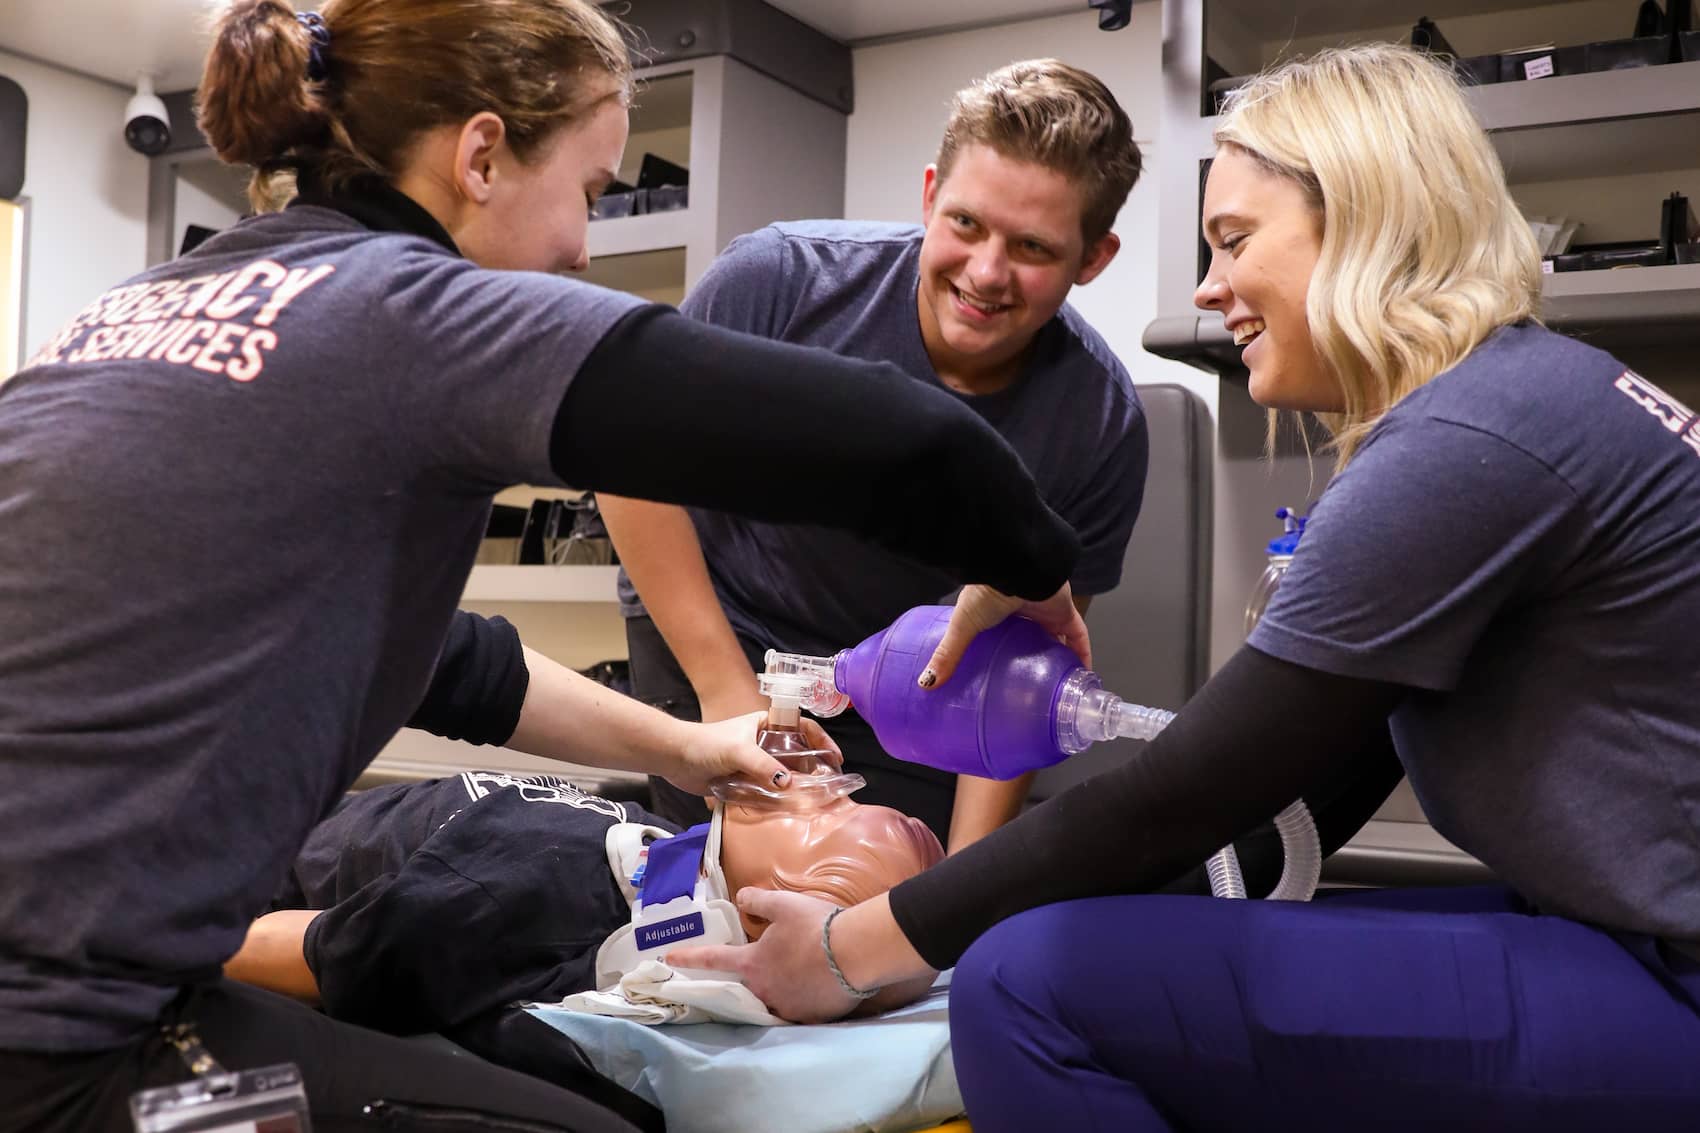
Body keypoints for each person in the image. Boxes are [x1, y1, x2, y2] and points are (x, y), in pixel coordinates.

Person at [0, 1, 1089, 1130]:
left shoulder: (133, 310)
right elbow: (904, 441)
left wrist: (688, 746)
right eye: (589, 188)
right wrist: (1033, 570)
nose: (580, 244)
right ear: (479, 156)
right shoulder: (410, 311)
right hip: (56, 1042)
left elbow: (440, 663)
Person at [671, 43, 1700, 1130]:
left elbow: (1192, 788)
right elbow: (1304, 781)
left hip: (1664, 977)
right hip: (1616, 938)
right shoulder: (1533, 400)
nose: (1209, 290)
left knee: (1025, 984)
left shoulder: (1469, 445)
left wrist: (851, 947)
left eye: (1231, 240)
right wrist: (1050, 916)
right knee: (1077, 949)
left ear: (1360, 220)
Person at [599, 58, 1148, 850]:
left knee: (893, 889)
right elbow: (628, 460)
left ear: (1093, 258)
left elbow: (1022, 664)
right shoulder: (782, 280)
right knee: (748, 879)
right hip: (728, 630)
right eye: (965, 223)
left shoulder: (1098, 422)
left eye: (1031, 246)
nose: (986, 273)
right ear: (929, 194)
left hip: (921, 680)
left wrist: (962, 892)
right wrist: (728, 698)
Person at [225, 761, 943, 1032]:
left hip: (249, 883)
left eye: (824, 827)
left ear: (759, 919)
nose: (812, 788)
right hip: (257, 835)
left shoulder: (530, 895)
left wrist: (138, 947)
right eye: (841, 804)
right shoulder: (656, 854)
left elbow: (311, 951)